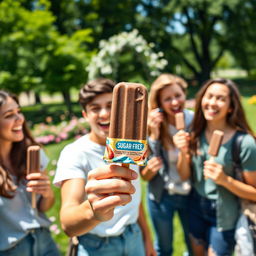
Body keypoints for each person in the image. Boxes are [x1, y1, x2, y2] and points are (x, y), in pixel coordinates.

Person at [53, 78, 156, 256]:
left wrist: (147, 239)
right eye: (95, 108)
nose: (104, 114)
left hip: (134, 237)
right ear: (85, 115)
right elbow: (68, 223)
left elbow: (134, 199)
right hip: (96, 246)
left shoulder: (131, 148)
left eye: (111, 106)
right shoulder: (75, 153)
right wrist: (94, 211)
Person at [174, 78, 256, 256]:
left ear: (231, 107)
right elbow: (183, 176)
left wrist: (224, 180)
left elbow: (254, 193)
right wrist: (183, 152)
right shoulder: (194, 133)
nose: (212, 102)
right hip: (195, 205)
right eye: (209, 96)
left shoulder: (244, 143)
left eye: (220, 98)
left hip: (225, 212)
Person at [0, 90, 59, 256]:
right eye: (9, 115)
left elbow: (42, 207)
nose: (20, 119)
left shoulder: (32, 155)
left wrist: (47, 194)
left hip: (45, 243)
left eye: (19, 112)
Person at [140, 73, 193, 256]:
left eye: (177, 95)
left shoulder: (193, 121)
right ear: (159, 104)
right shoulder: (149, 126)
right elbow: (146, 173)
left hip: (191, 194)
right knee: (164, 248)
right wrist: (154, 135)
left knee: (194, 245)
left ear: (184, 94)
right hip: (161, 196)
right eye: (167, 99)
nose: (174, 102)